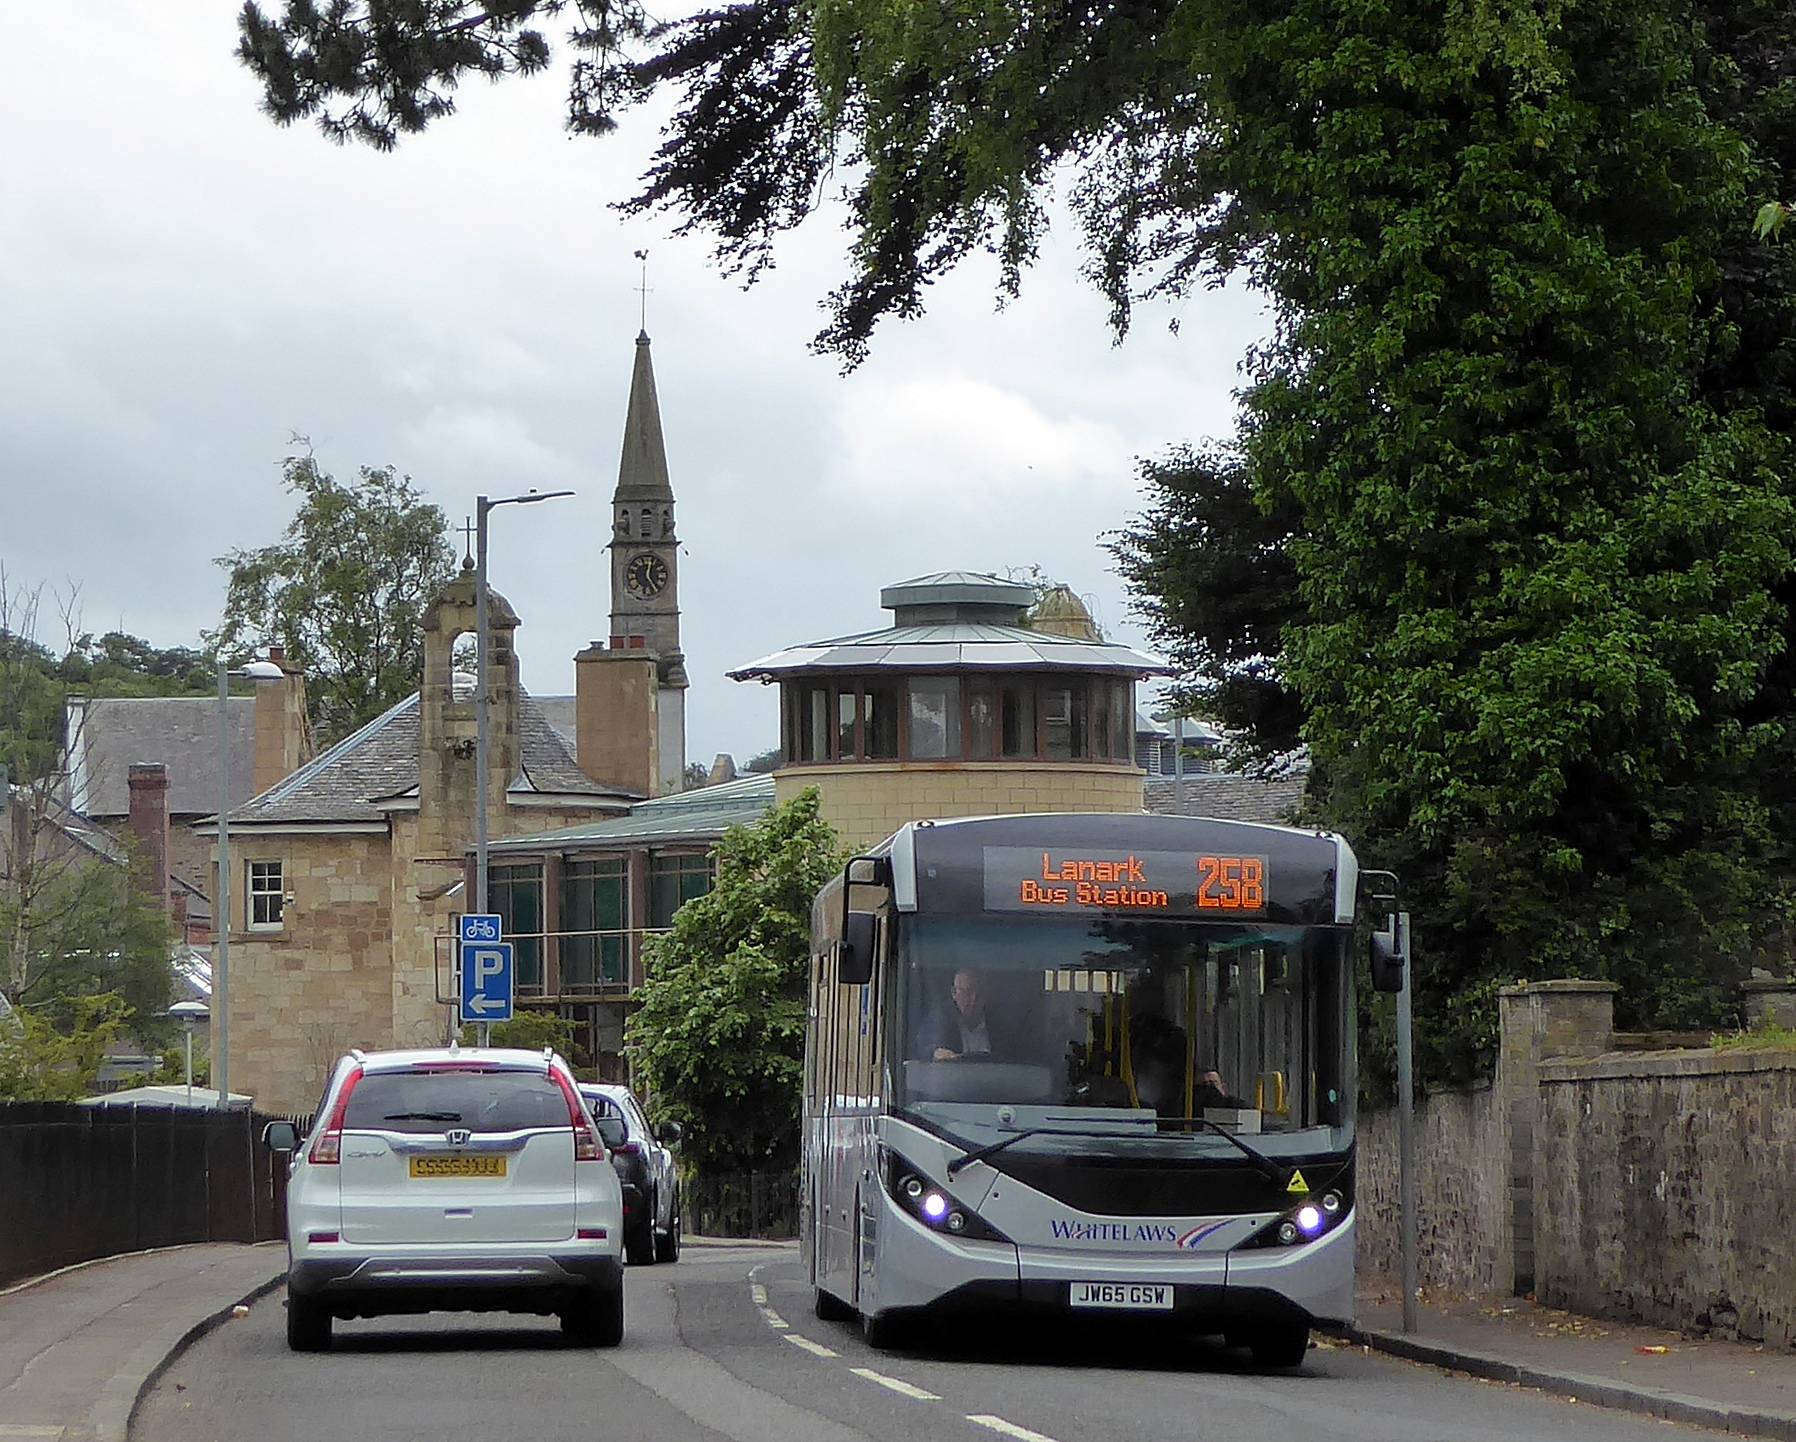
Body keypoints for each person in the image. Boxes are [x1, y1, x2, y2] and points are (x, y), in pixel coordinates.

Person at [925, 969, 1001, 1060]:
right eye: (967, 993)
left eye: (979, 994)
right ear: (954, 993)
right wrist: (936, 1052)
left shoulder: (1000, 1024)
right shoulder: (940, 1019)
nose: (973, 1000)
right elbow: (926, 1047)